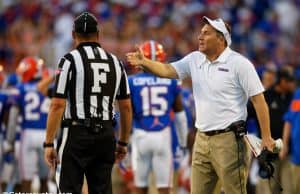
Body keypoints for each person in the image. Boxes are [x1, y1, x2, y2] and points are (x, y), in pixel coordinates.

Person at [127, 16, 276, 194]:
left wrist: (266, 137)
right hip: (202, 139)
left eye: (206, 33)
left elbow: (259, 101)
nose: (200, 37)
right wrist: (145, 62)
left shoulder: (240, 64)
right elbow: (167, 70)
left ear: (221, 39)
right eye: (200, 32)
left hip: (229, 140)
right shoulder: (195, 59)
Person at [43, 12, 132, 194]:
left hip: (76, 133)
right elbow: (126, 107)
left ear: (73, 35)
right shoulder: (116, 62)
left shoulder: (68, 60)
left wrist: (49, 143)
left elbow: (57, 105)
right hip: (106, 134)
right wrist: (122, 142)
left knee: (68, 189)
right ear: (98, 34)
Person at [128, 40, 188, 194]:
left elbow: (127, 113)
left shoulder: (132, 81)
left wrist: (124, 142)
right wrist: (183, 143)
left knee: (140, 186)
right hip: (163, 137)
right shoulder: (171, 81)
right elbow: (180, 115)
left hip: (140, 135)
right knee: (164, 187)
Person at [5, 56, 51, 192]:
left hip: (27, 134)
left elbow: (13, 117)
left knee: (26, 180)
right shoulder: (48, 86)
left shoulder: (20, 88)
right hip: (46, 135)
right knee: (44, 180)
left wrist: (9, 140)